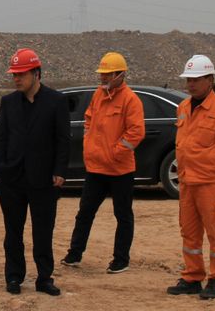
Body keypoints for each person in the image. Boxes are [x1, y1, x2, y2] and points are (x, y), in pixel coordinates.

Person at [166, 55, 215, 299]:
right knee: (189, 233)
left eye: (196, 80)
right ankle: (192, 277)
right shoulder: (183, 107)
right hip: (187, 183)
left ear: (210, 80)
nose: (190, 84)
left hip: (213, 184)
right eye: (188, 80)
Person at [0, 49, 70, 296]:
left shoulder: (56, 101)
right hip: (12, 179)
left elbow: (63, 139)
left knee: (43, 232)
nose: (16, 79)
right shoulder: (8, 102)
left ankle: (44, 278)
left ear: (36, 73)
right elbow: (1, 138)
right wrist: (2, 168)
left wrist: (60, 170)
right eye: (14, 74)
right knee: (13, 232)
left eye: (21, 74)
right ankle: (14, 277)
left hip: (44, 179)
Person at [61, 52, 145, 274]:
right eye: (102, 74)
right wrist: (89, 142)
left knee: (123, 215)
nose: (103, 77)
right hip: (96, 168)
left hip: (120, 169)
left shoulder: (130, 100)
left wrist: (116, 153)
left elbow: (136, 132)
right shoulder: (98, 95)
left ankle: (121, 260)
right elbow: (89, 120)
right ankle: (74, 254)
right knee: (85, 212)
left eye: (108, 74)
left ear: (120, 74)